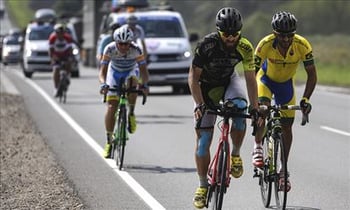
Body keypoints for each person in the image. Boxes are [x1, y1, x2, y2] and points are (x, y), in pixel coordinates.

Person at [188, 7, 259, 209]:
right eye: (226, 34)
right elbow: (193, 77)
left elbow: (251, 80)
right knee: (203, 142)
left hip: (228, 82)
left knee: (240, 108)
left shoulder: (245, 46)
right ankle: (202, 186)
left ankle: (235, 154)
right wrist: (200, 104)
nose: (230, 38)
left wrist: (254, 108)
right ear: (219, 31)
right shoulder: (207, 45)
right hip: (205, 87)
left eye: (235, 34)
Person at [253, 11, 317, 192]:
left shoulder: (302, 45)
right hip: (265, 80)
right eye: (282, 35)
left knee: (287, 126)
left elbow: (312, 74)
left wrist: (305, 99)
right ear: (275, 33)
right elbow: (252, 72)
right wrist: (254, 103)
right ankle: (257, 146)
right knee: (263, 110)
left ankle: (283, 170)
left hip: (285, 86)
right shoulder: (265, 44)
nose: (287, 39)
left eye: (290, 35)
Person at [99, 25, 149, 158]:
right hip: (114, 73)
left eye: (126, 44)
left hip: (130, 71)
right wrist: (103, 84)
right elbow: (102, 71)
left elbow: (143, 71)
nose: (123, 47)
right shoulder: (109, 49)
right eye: (120, 44)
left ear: (130, 42)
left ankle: (131, 112)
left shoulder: (136, 50)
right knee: (111, 107)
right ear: (116, 42)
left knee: (133, 84)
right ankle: (109, 140)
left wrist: (144, 85)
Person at [49, 23, 74, 97]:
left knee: (68, 63)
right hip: (56, 56)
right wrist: (52, 58)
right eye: (58, 33)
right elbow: (50, 50)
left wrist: (70, 57)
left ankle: (68, 76)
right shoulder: (52, 38)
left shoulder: (68, 38)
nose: (60, 35)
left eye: (62, 33)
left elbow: (70, 49)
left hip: (65, 55)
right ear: (55, 33)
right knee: (56, 69)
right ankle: (56, 88)